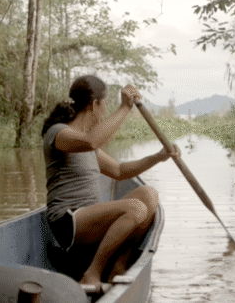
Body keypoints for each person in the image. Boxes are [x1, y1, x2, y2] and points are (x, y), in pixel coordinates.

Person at [42, 74, 179, 291]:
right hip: (68, 222)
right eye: (105, 104)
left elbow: (118, 170)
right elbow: (92, 140)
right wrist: (125, 108)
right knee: (135, 208)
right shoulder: (59, 134)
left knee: (149, 195)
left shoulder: (86, 144)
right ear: (95, 104)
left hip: (90, 217)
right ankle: (92, 273)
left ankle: (119, 265)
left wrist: (158, 157)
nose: (106, 109)